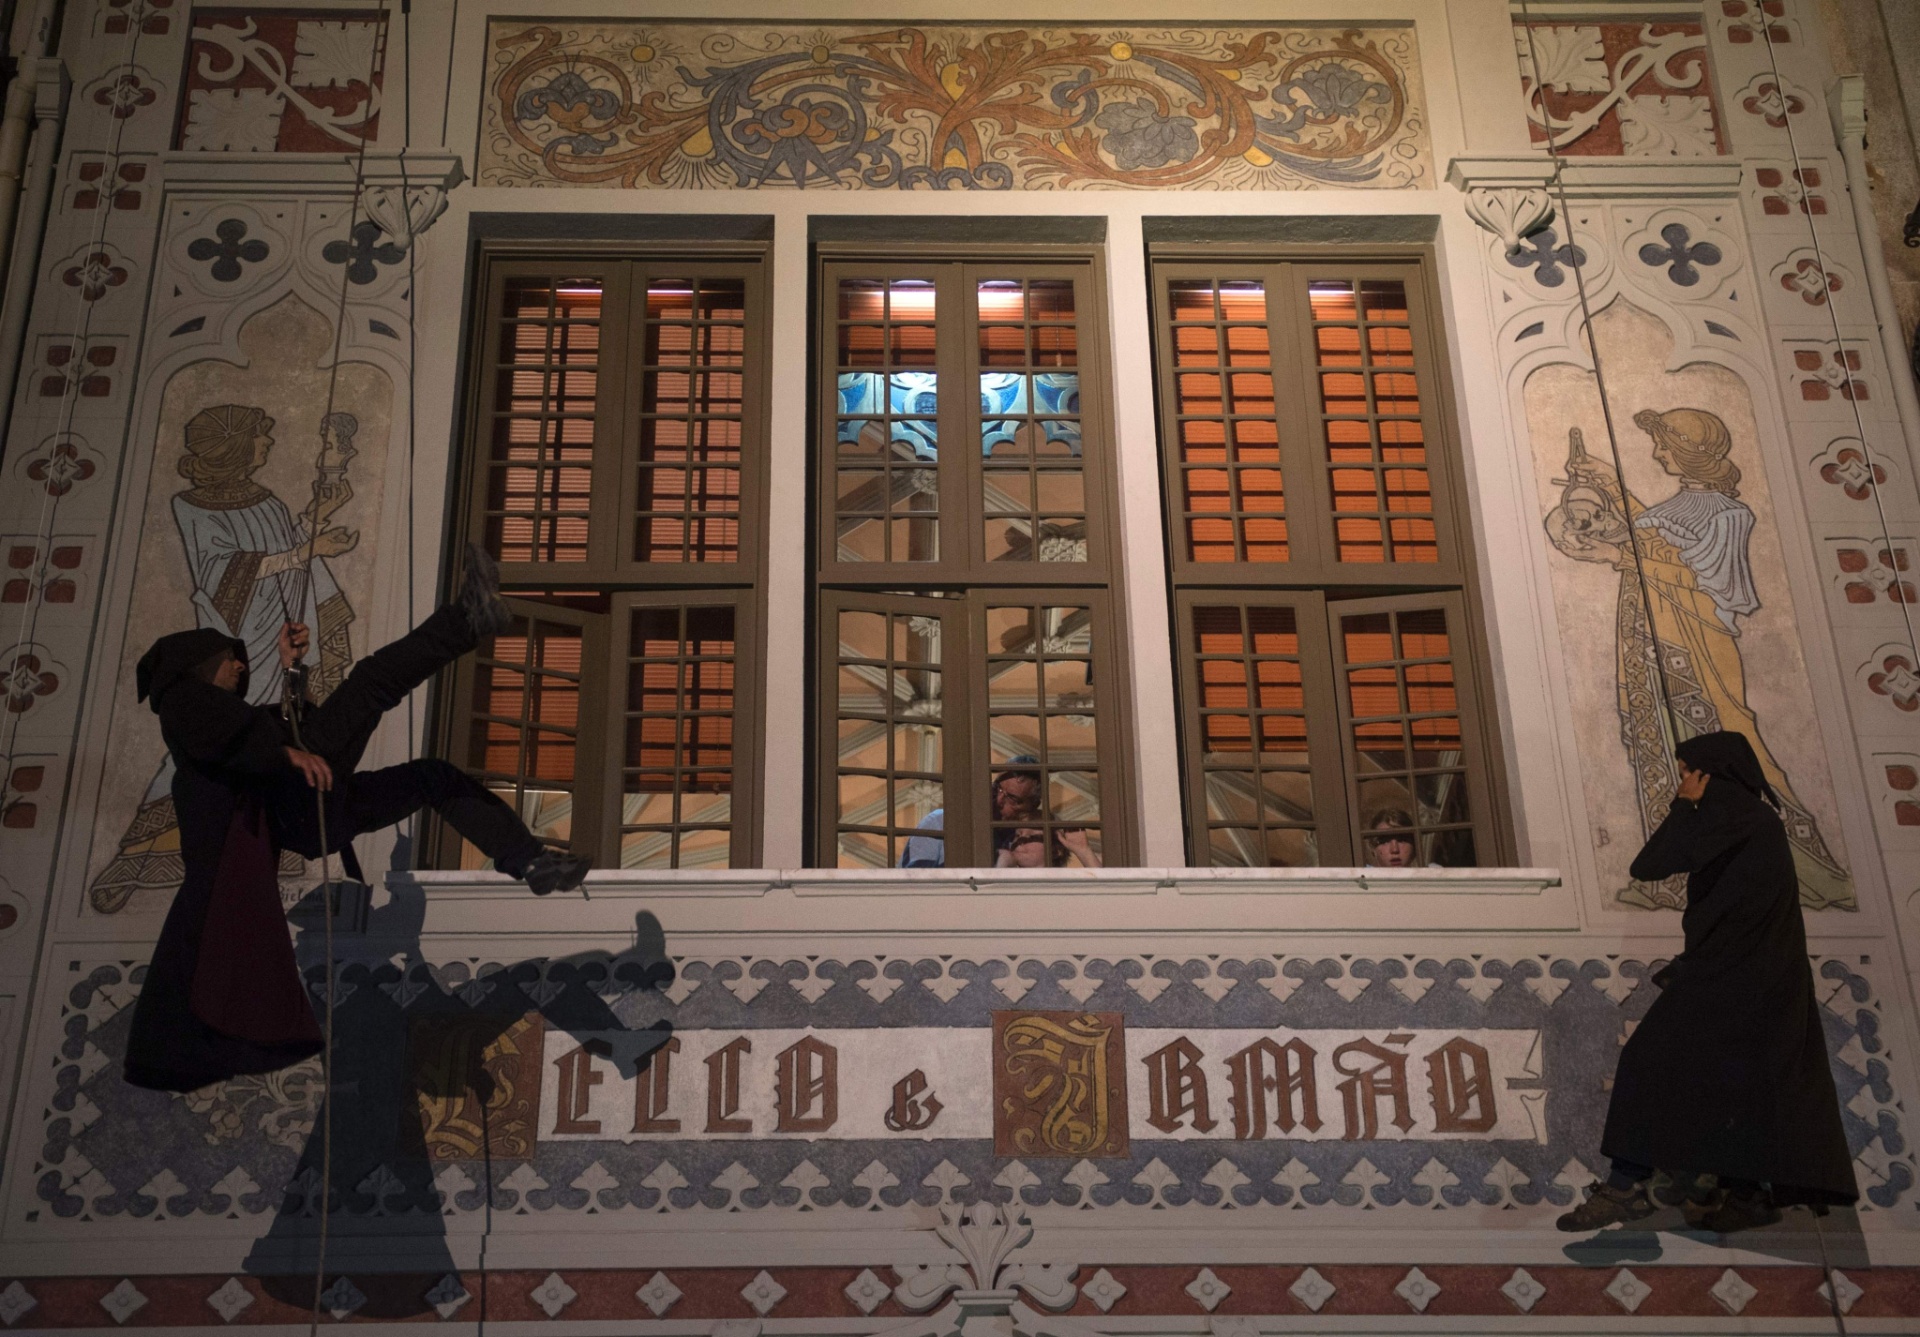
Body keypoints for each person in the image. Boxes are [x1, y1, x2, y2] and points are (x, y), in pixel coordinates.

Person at [121, 546, 590, 1093]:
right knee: (371, 681)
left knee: (430, 777)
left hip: (307, 810)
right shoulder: (183, 701)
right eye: (231, 658)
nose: (242, 666)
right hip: (295, 795)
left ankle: (527, 859)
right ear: (199, 665)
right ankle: (469, 617)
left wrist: (293, 670)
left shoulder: (221, 721)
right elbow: (249, 739)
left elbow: (277, 729)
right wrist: (285, 756)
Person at [1557, 731, 1857, 1235]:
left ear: (1707, 774)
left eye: (1686, 772)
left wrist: (1682, 806)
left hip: (1736, 975)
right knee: (1738, 1080)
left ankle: (1626, 1188)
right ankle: (1745, 1195)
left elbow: (1647, 866)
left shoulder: (1737, 816)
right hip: (1749, 975)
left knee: (1647, 1059)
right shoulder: (1751, 820)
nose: (1682, 781)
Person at [900, 760, 1043, 868]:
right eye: (998, 789)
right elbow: (914, 882)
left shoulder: (1024, 841)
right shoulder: (940, 821)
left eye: (1011, 798)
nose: (999, 800)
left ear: (1031, 807)